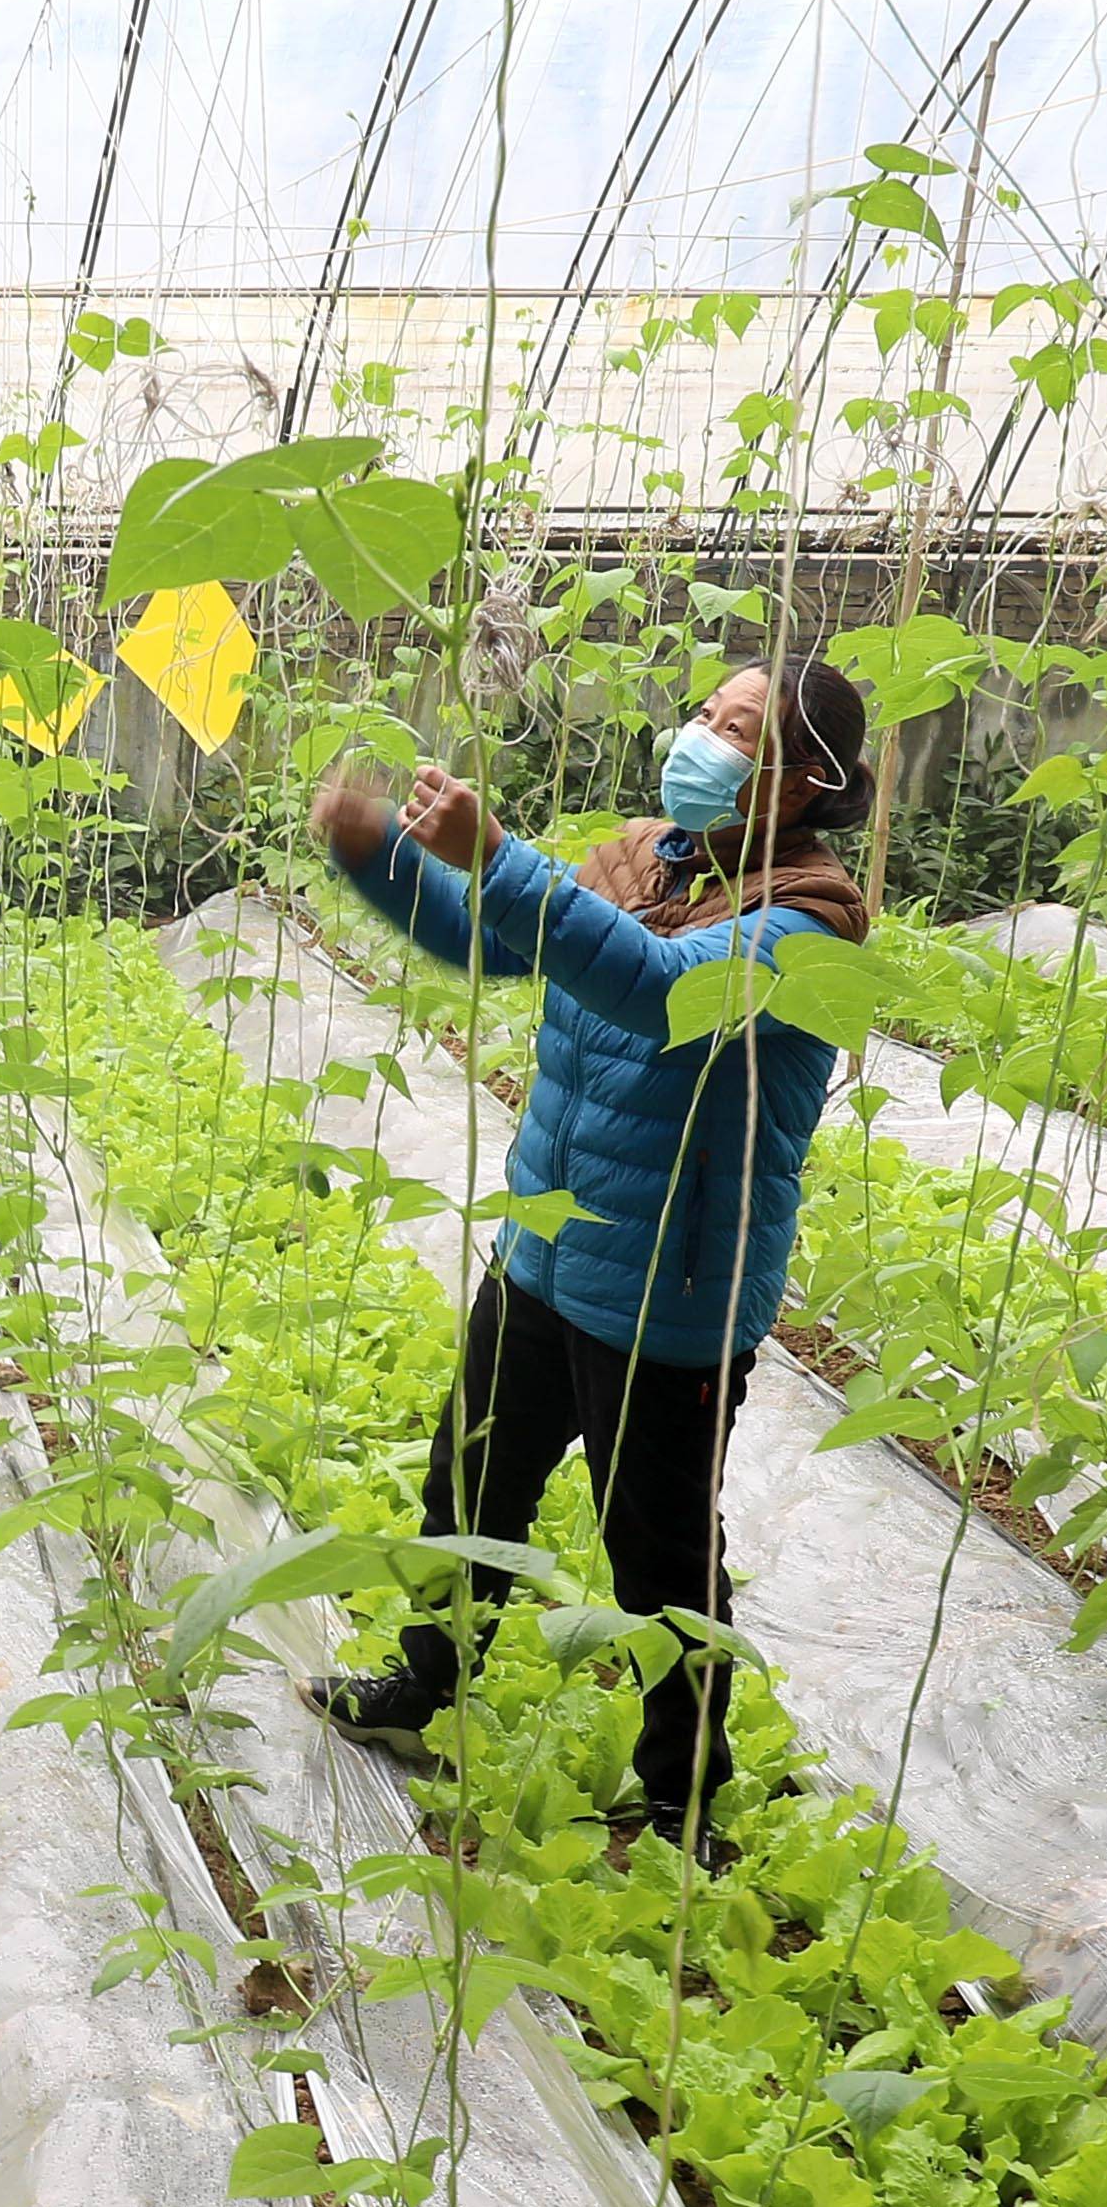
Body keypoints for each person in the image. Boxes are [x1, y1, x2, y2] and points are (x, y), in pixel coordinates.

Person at [306, 646, 876, 1832]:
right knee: (469, 1482)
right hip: (547, 1248)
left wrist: (505, 855)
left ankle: (683, 1806)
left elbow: (660, 990)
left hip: (670, 1285)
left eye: (735, 728)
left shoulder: (806, 924)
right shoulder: (641, 857)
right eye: (704, 713)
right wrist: (380, 857)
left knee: (658, 1558)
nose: (700, 740)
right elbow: (494, 938)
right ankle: (421, 1686)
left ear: (801, 780)